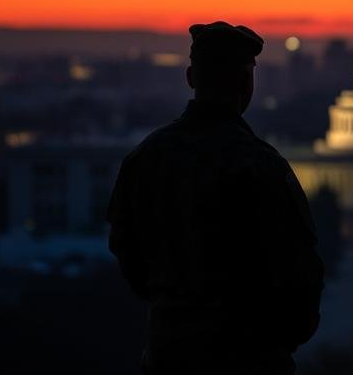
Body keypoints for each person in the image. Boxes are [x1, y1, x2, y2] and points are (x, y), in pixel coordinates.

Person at [107, 21, 324, 374]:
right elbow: (300, 274)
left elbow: (127, 256)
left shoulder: (145, 159)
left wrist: (178, 308)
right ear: (246, 83)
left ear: (191, 77)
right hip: (249, 359)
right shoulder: (261, 165)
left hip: (170, 356)